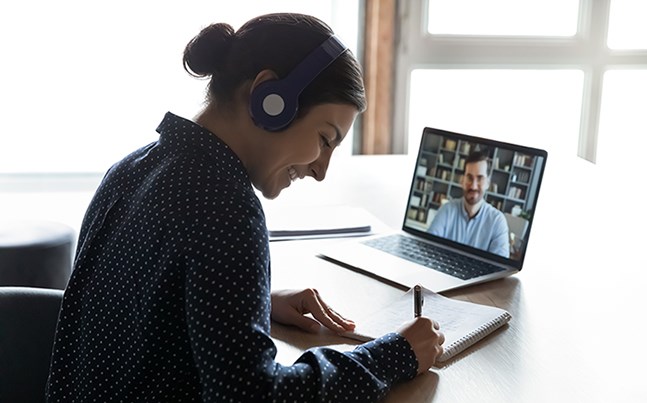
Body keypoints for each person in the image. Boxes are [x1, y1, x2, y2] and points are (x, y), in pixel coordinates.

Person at [46, 13, 444, 402]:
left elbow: (136, 307)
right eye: (325, 139)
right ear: (270, 98)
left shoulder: (132, 169)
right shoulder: (225, 207)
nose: (321, 170)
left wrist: (247, 305)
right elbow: (254, 394)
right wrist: (391, 356)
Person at [428, 151, 510, 258]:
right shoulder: (446, 210)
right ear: (462, 180)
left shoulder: (497, 221)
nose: (474, 186)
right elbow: (427, 248)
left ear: (488, 183)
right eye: (469, 178)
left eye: (480, 178)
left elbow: (499, 268)